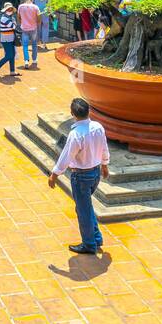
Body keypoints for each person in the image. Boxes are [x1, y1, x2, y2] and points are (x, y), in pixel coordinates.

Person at [47, 97, 110, 254]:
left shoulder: (76, 134)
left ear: (72, 114)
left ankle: (89, 244)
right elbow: (104, 147)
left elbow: (66, 156)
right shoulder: (98, 127)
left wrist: (54, 174)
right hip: (95, 173)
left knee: (83, 210)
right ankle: (96, 237)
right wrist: (105, 164)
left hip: (81, 176)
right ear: (89, 111)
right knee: (85, 207)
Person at [17, 0, 41, 68]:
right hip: (33, 28)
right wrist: (37, 24)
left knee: (25, 45)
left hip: (24, 28)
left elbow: (18, 17)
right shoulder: (36, 7)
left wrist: (22, 23)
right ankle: (34, 59)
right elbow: (39, 18)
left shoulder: (20, 6)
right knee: (34, 44)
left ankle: (26, 61)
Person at [0, 2, 18, 75]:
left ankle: (12, 71)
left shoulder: (9, 18)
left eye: (11, 9)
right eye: (8, 9)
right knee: (9, 55)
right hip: (6, 40)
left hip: (10, 39)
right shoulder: (4, 18)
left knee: (12, 55)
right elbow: (14, 26)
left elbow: (14, 26)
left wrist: (14, 22)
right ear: (5, 10)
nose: (10, 10)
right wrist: (14, 22)